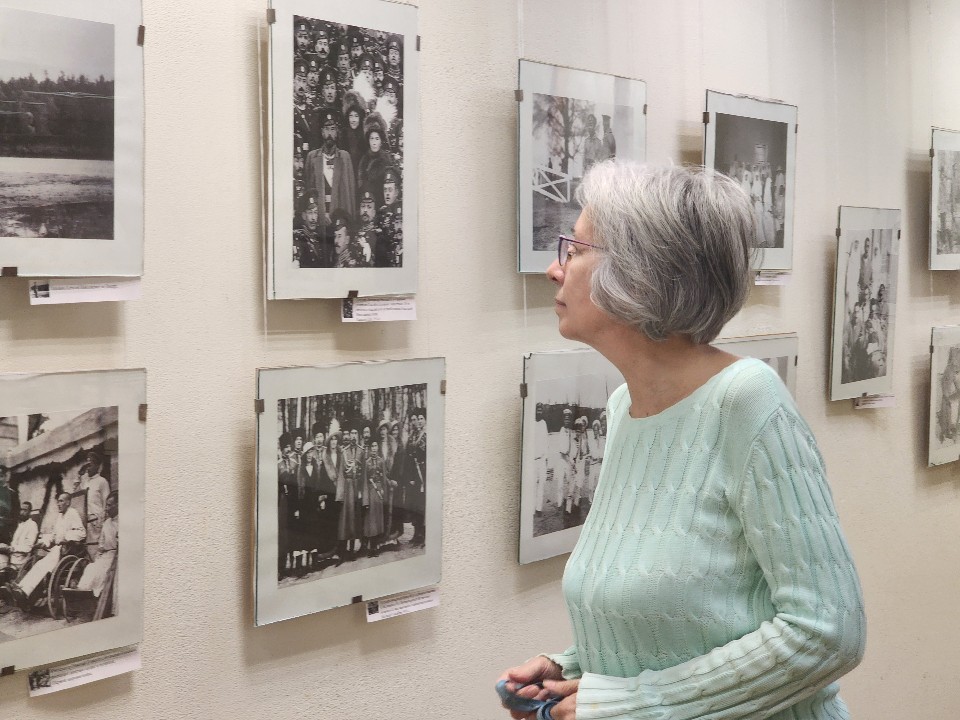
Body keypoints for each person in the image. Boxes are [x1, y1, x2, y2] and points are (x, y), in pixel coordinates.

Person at [498, 162, 864, 720]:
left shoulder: (745, 401)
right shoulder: (625, 407)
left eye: (574, 249)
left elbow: (828, 632)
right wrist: (574, 669)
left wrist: (632, 705)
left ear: (639, 274)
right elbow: (686, 614)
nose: (554, 269)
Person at [4, 492, 86, 609]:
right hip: (57, 550)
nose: (59, 504)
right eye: (58, 501)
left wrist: (66, 538)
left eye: (61, 501)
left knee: (44, 567)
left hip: (68, 550)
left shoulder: (73, 513)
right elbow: (54, 535)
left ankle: (25, 591)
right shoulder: (60, 517)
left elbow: (81, 533)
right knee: (39, 565)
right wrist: (45, 542)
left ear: (68, 502)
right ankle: (21, 588)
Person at [0, 501, 38, 584]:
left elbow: (28, 547)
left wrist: (12, 548)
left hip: (20, 560)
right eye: (21, 510)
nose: (22, 512)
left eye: (25, 510)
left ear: (29, 512)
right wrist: (7, 547)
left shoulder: (32, 525)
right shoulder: (21, 525)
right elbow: (14, 543)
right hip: (11, 557)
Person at [533, 403, 548, 516]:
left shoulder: (544, 424)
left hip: (542, 459)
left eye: (540, 410)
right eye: (537, 409)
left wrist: (546, 459)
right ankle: (532, 508)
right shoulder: (531, 423)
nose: (539, 412)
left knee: (541, 483)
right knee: (533, 484)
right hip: (533, 460)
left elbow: (546, 442)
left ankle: (539, 509)